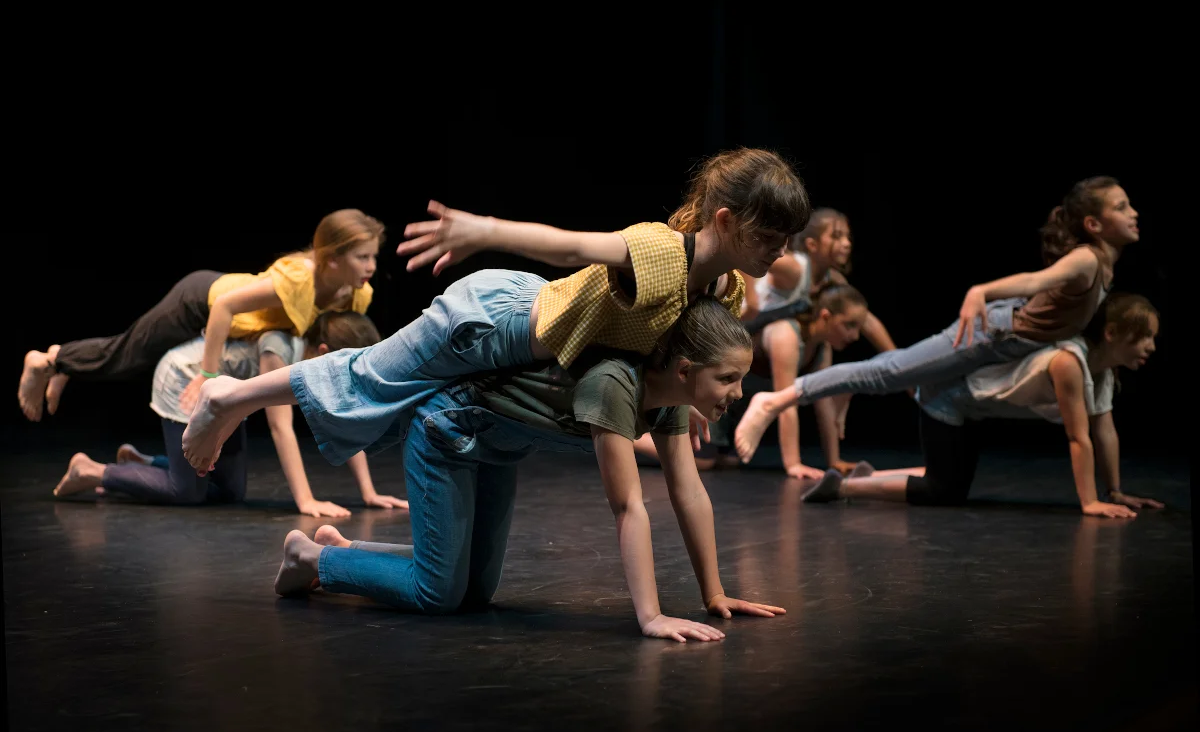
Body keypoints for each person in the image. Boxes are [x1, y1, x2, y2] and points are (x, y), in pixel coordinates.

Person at [187, 293, 786, 641]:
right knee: (439, 593)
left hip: (499, 448)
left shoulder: (671, 404)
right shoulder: (617, 385)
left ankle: (338, 552)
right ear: (683, 369)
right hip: (448, 431)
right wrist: (651, 617)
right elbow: (629, 505)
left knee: (475, 590)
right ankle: (314, 559)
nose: (735, 392)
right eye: (727, 378)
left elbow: (689, 492)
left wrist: (715, 593)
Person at [182, 148, 812, 471]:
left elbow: (663, 351)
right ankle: (226, 399)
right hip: (490, 322)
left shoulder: (724, 291)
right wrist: (481, 228)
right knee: (369, 375)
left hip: (520, 341)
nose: (781, 254)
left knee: (387, 393)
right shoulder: (657, 250)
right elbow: (569, 246)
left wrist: (686, 401)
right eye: (770, 238)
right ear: (726, 221)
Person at [734, 176, 1141, 463]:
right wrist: (980, 291)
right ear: (1093, 224)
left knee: (893, 370)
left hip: (1003, 339)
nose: (1134, 213)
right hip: (990, 335)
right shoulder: (1088, 258)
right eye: (1121, 206)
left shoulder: (1102, 264)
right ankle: (774, 400)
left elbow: (872, 324)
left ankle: (840, 392)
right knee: (888, 374)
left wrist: (899, 360)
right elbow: (1036, 280)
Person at [800, 293, 1164, 519]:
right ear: (1113, 333)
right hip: (948, 399)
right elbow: (1078, 438)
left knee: (950, 487)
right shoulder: (1069, 362)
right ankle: (844, 488)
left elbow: (1104, 429)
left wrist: (1114, 492)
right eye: (1145, 337)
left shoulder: (1102, 372)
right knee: (943, 491)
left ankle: (862, 476)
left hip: (971, 408)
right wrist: (1089, 504)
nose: (1150, 347)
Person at [18, 209, 382, 422]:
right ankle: (47, 360)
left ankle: (63, 361)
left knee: (120, 350)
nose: (371, 266)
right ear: (332, 258)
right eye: (362, 257)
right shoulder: (299, 279)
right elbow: (224, 307)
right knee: (125, 358)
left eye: (373, 257)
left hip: (223, 319)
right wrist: (207, 374)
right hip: (198, 301)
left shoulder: (355, 293)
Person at [52, 312, 406, 516]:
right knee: (187, 492)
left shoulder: (311, 358)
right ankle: (94, 471)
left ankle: (143, 463)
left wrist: (368, 492)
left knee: (228, 490)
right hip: (186, 381)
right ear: (326, 351)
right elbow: (280, 428)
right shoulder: (280, 350)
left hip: (224, 399)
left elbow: (347, 414)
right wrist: (306, 500)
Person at [634, 283, 876, 478]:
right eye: (849, 326)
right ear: (825, 316)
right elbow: (785, 403)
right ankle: (630, 435)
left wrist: (833, 461)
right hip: (716, 392)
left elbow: (823, 403)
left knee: (724, 460)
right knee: (703, 460)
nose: (854, 336)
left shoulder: (823, 348)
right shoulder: (787, 335)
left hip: (735, 402)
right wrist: (793, 465)